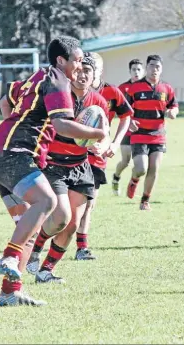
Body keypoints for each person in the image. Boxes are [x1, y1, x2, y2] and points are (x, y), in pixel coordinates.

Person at [0, 36, 108, 306]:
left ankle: (10, 292)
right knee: (47, 201)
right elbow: (63, 126)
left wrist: (12, 125)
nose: (80, 65)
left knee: (29, 228)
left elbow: (10, 96)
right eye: (77, 60)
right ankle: (7, 257)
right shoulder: (58, 82)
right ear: (61, 60)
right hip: (14, 157)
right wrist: (98, 133)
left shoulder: (39, 75)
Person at [26, 53, 109, 282]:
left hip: (81, 167)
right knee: (61, 216)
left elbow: (105, 132)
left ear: (94, 77)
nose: (82, 75)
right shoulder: (60, 97)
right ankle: (36, 247)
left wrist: (102, 146)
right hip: (54, 165)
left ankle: (46, 271)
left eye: (88, 72)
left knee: (72, 224)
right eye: (79, 71)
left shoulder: (99, 102)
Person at [74, 51, 132, 260]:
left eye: (93, 68)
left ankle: (82, 247)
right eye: (84, 68)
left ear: (100, 70)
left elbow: (126, 116)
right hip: (71, 155)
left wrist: (115, 143)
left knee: (89, 202)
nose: (87, 72)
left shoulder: (111, 92)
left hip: (97, 156)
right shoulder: (75, 90)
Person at [125, 55, 179, 210]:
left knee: (154, 168)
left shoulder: (167, 88)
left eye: (158, 67)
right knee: (141, 168)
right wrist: (130, 120)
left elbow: (173, 105)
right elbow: (125, 110)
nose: (154, 69)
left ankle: (145, 200)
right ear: (146, 67)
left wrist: (173, 112)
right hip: (139, 134)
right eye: (152, 66)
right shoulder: (135, 87)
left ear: (161, 69)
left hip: (158, 134)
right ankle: (134, 179)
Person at [112, 59, 144, 195]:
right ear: (129, 71)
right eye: (134, 70)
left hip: (143, 131)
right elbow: (115, 109)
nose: (136, 72)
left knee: (141, 164)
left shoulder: (147, 87)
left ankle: (133, 182)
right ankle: (116, 177)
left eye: (139, 69)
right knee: (125, 161)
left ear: (143, 71)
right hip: (127, 130)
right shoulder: (122, 88)